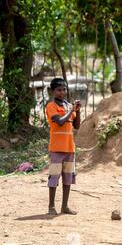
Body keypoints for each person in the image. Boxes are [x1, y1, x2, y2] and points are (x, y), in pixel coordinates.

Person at [45, 78, 81, 215]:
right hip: (56, 148)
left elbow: (76, 125)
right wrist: (71, 109)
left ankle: (65, 206)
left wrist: (78, 111)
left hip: (69, 147)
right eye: (59, 90)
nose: (62, 92)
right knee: (54, 178)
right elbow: (59, 121)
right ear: (53, 91)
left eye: (64, 89)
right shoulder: (51, 106)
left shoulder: (68, 106)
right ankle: (51, 206)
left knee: (68, 178)